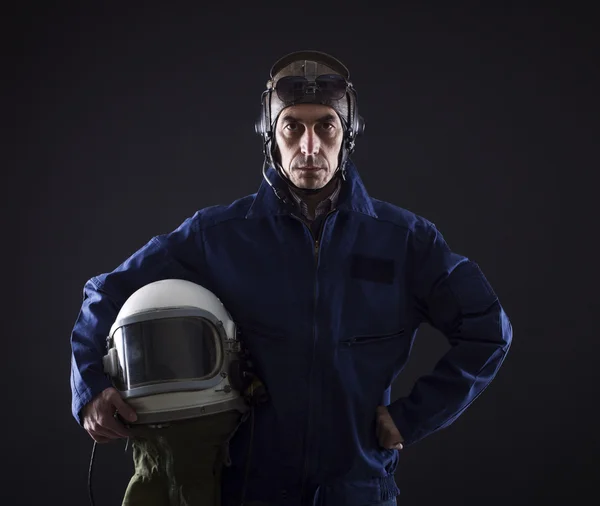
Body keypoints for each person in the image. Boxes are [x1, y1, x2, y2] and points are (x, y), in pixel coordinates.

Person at [70, 50, 513, 506]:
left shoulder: (404, 241)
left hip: (358, 487)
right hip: (251, 487)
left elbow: (487, 329)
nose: (309, 146)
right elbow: (105, 292)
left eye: (326, 126)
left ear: (348, 135)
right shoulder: (218, 236)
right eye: (292, 127)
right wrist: (90, 388)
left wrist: (414, 417)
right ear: (269, 136)